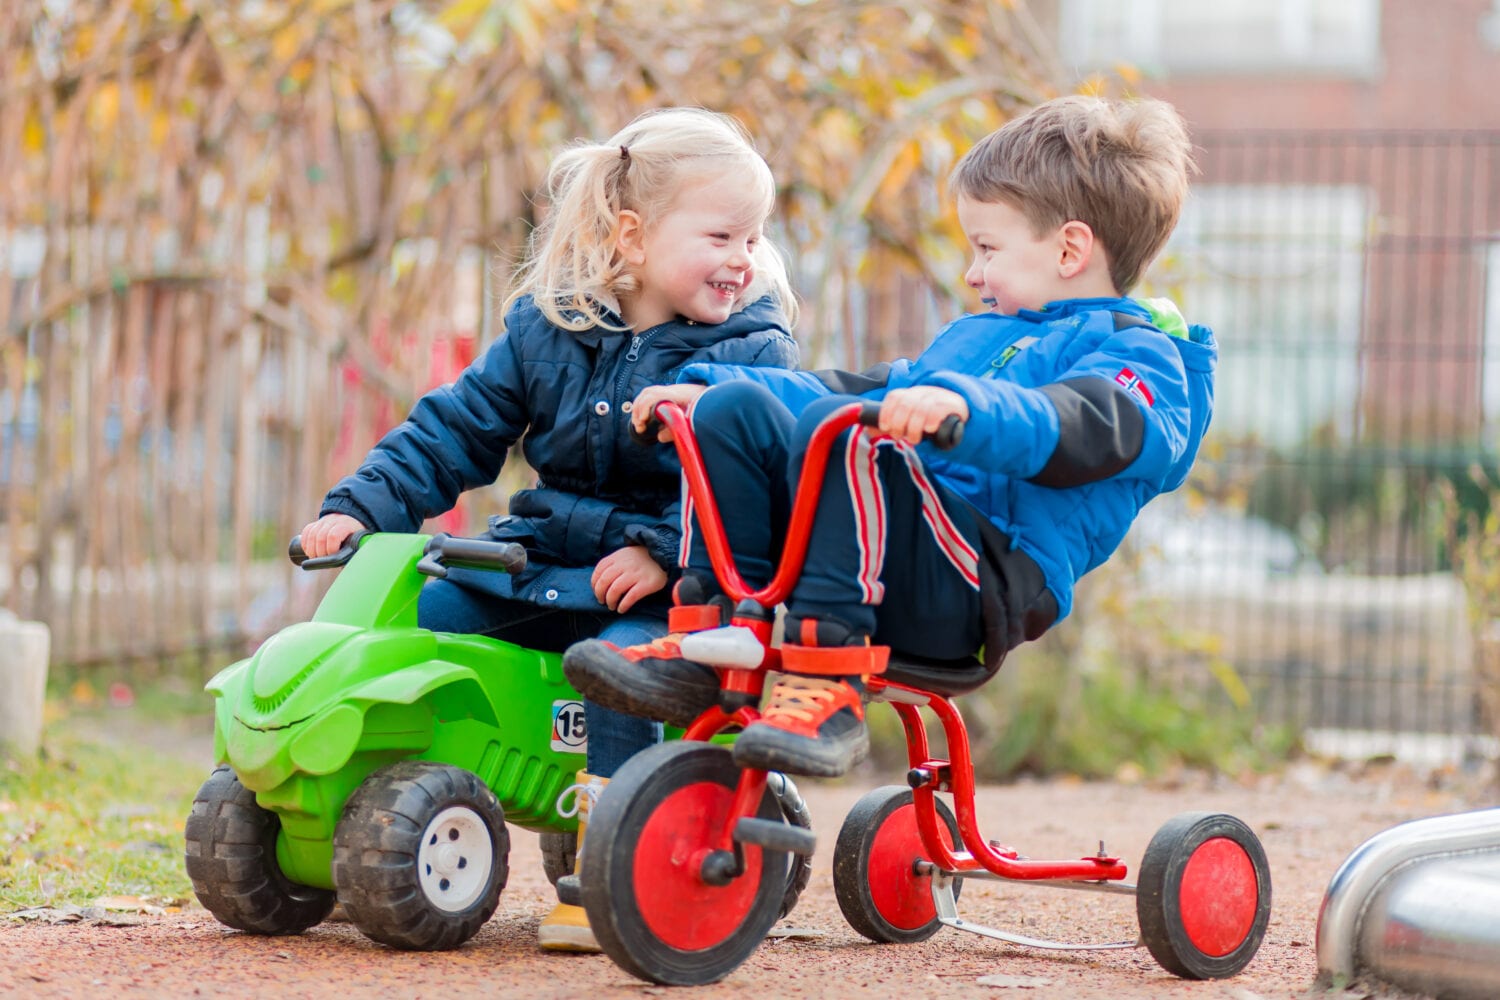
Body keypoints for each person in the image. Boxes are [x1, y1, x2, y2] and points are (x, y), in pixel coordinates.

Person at [562, 95, 1213, 780]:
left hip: (976, 581)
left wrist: (960, 406)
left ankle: (829, 686)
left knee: (853, 438)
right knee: (736, 411)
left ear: (1070, 248)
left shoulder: (1142, 359)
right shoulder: (980, 335)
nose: (973, 273)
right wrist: (709, 387)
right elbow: (859, 388)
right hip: (901, 552)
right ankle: (712, 634)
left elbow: (1080, 424)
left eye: (987, 248)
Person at [296, 107, 800, 950]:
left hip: (680, 593)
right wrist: (359, 506)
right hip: (548, 565)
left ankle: (613, 872)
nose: (744, 261)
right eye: (722, 237)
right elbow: (453, 429)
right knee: (430, 618)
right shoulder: (548, 328)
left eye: (754, 240)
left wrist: (667, 554)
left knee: (622, 668)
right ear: (631, 236)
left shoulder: (751, 356)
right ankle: (382, 816)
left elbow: (756, 488)